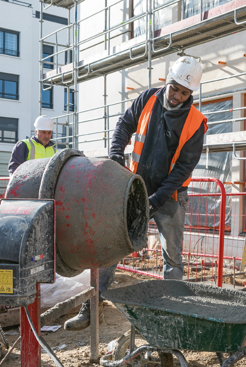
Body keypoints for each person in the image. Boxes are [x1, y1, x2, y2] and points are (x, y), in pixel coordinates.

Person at [64, 56, 208, 331]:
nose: (177, 96)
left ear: (191, 93)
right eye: (175, 88)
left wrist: (156, 201)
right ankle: (92, 308)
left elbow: (182, 171)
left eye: (184, 92)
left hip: (171, 196)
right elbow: (124, 125)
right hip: (135, 187)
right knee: (110, 245)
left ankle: (171, 315)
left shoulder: (196, 123)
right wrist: (116, 154)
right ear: (167, 81)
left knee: (172, 256)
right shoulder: (147, 99)